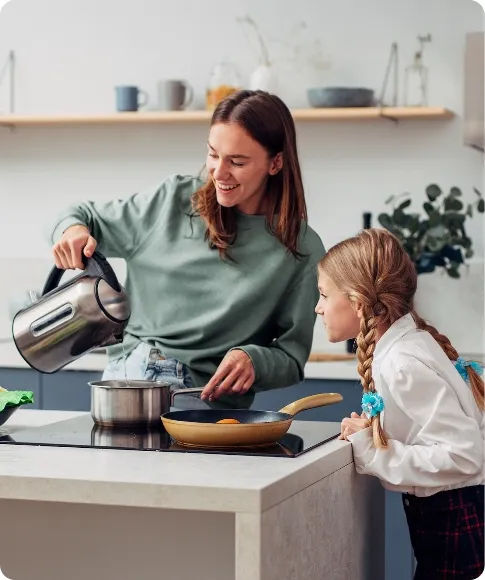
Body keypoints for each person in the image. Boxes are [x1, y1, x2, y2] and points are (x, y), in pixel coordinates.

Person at [47, 89, 325, 410]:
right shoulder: (173, 201)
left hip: (207, 402)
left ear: (276, 162)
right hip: (131, 381)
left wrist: (254, 360)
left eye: (237, 161)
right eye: (213, 154)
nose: (218, 173)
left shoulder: (302, 249)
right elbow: (79, 215)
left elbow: (291, 358)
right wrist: (73, 231)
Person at [315, 228, 484, 580]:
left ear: (358, 302)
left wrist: (372, 449)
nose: (318, 308)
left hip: (456, 528)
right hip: (449, 522)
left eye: (323, 295)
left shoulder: (402, 363)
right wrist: (374, 430)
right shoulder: (405, 348)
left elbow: (464, 456)